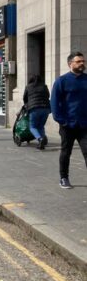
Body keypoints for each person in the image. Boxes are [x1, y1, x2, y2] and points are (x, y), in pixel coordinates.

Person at [51, 51, 87, 189]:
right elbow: (54, 102)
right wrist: (61, 120)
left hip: (84, 124)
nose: (82, 64)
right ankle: (64, 178)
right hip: (68, 125)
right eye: (78, 61)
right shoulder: (62, 81)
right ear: (70, 64)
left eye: (83, 61)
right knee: (66, 152)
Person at [23, 75, 51, 150]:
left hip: (34, 108)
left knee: (33, 126)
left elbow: (25, 98)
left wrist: (26, 105)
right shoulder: (44, 86)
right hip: (46, 108)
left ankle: (40, 139)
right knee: (41, 125)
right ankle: (43, 138)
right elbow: (48, 96)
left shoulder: (28, 87)